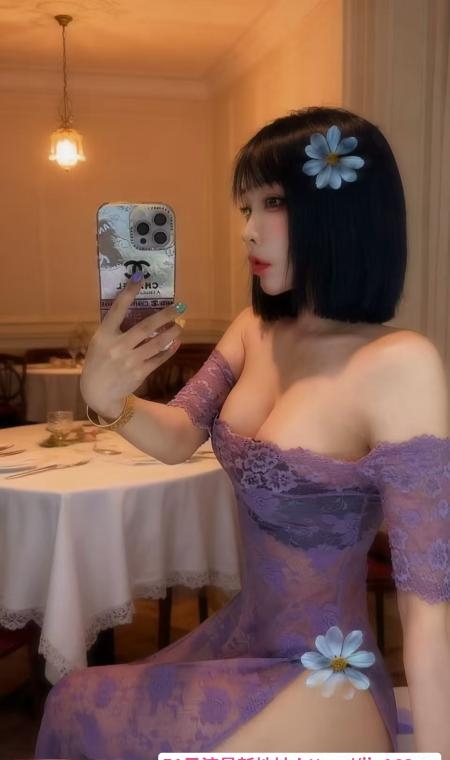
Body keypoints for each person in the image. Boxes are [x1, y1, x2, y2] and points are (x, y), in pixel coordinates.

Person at [35, 106, 450, 758]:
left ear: (343, 209)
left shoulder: (399, 363)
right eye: (245, 209)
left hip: (326, 675)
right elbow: (180, 434)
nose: (248, 230)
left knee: (80, 711)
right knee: (72, 697)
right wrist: (107, 400)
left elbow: (428, 606)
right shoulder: (253, 328)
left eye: (273, 203)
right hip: (245, 635)